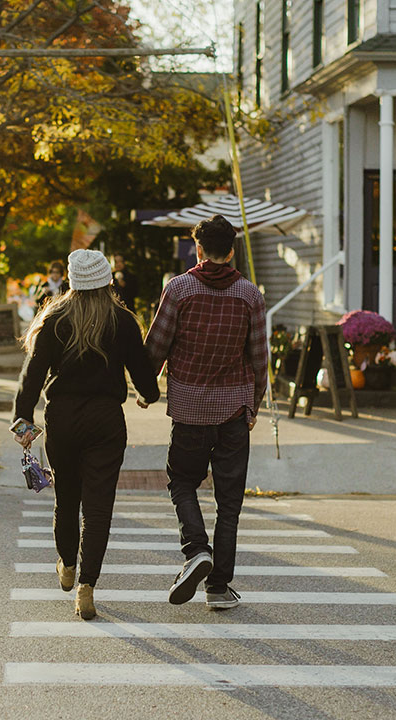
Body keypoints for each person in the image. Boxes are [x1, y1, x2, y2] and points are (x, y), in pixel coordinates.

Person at [13, 248, 160, 620]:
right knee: (98, 509)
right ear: (109, 280)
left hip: (61, 419)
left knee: (67, 498)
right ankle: (87, 586)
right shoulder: (123, 321)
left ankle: (66, 565)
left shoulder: (54, 318)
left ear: (70, 280)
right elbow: (144, 376)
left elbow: (31, 377)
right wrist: (148, 395)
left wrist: (23, 422)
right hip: (106, 421)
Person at [142, 214, 268, 611]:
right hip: (233, 411)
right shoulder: (250, 295)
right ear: (232, 251)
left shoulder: (178, 290)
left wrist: (146, 388)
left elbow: (157, 344)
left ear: (198, 248)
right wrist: (255, 403)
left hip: (189, 410)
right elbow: (260, 358)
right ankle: (218, 587)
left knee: (182, 482)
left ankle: (196, 548)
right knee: (229, 502)